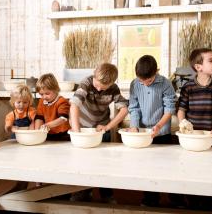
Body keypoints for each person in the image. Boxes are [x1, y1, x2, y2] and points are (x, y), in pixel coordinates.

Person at [177, 48, 212, 210]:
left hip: (211, 139)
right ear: (198, 67)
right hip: (192, 140)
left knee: (211, 173)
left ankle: (208, 203)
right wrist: (182, 124)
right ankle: (192, 202)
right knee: (191, 171)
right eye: (211, 60)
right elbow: (181, 110)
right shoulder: (188, 87)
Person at [128, 55, 183, 208]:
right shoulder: (134, 84)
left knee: (168, 168)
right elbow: (134, 108)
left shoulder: (165, 84)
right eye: (141, 81)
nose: (145, 84)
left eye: (149, 81)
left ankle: (176, 200)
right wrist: (134, 126)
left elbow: (170, 109)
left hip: (162, 132)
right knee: (147, 169)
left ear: (156, 72)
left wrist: (158, 126)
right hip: (143, 134)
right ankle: (150, 200)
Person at [70, 63, 128, 203]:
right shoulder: (86, 83)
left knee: (104, 164)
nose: (98, 88)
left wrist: (108, 127)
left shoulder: (114, 88)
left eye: (103, 87)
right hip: (84, 129)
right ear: (94, 75)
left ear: (112, 83)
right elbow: (74, 105)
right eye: (97, 84)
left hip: (101, 130)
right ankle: (83, 192)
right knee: (83, 164)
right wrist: (77, 131)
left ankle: (107, 195)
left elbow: (124, 110)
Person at [34, 73, 70, 141]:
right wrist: (37, 132)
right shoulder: (42, 102)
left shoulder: (62, 101)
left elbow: (63, 118)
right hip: (49, 133)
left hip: (63, 134)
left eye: (47, 93)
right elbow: (39, 118)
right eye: (41, 94)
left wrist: (47, 125)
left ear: (55, 90)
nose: (44, 97)